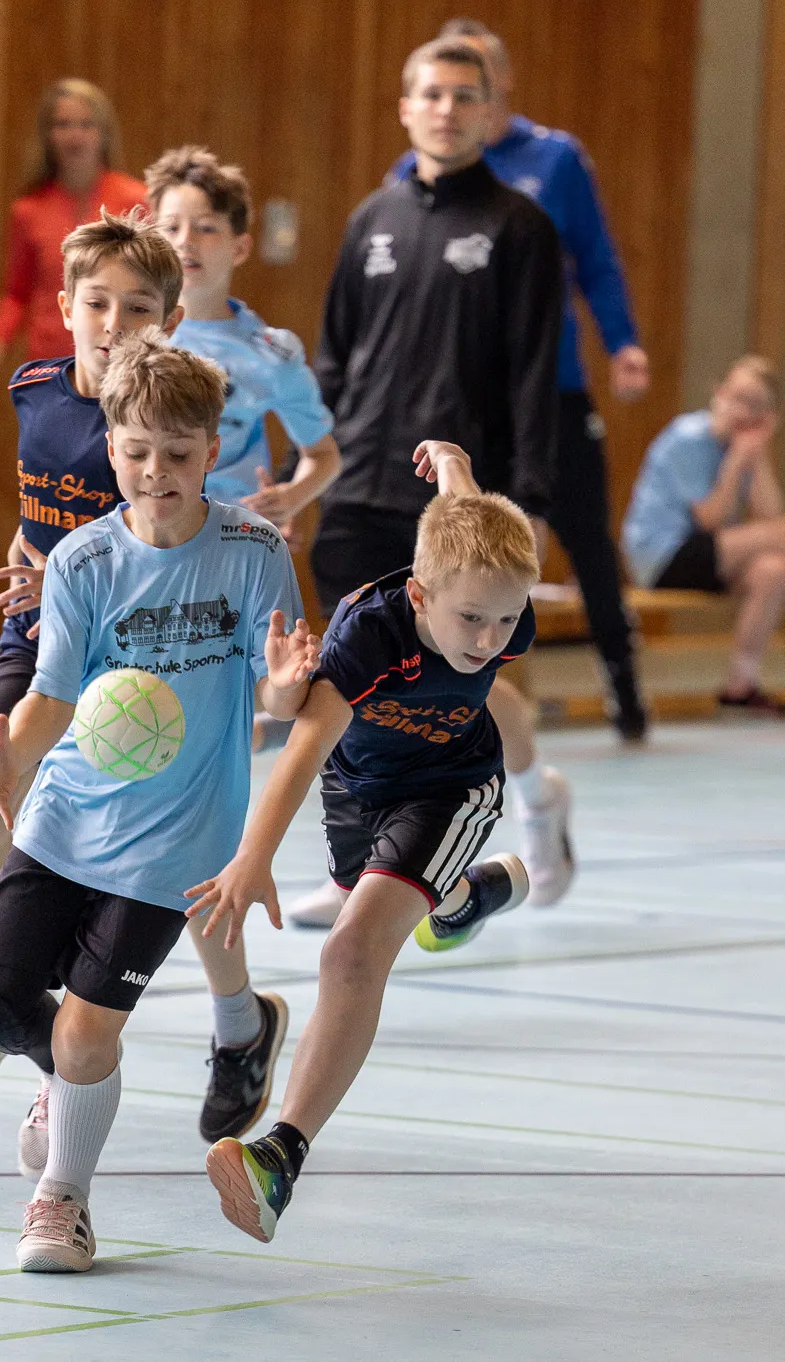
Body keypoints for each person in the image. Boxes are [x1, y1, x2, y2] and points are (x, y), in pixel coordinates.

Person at [0, 213, 290, 1165]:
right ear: (65, 310)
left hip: (161, 651)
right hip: (52, 636)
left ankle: (237, 1019)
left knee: (181, 850)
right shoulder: (37, 391)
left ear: (169, 320)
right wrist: (29, 565)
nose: (115, 322)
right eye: (97, 303)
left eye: (138, 308)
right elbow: (38, 516)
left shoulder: (163, 418)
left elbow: (180, 526)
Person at [0, 333, 315, 1272]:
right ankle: (72, 1077)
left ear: (212, 451)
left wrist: (280, 687)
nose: (156, 472)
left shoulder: (253, 551)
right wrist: (8, 760)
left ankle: (61, 1199)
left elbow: (276, 699)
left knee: (83, 1030)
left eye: (180, 454)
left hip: (175, 843)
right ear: (110, 443)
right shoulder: (81, 561)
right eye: (136, 450)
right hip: (68, 817)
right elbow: (54, 697)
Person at [190, 440, 534, 1244]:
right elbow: (300, 748)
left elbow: (466, 523)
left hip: (451, 785)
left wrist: (454, 467)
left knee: (351, 951)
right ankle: (467, 897)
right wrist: (252, 855)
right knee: (403, 906)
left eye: (507, 618)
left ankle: (281, 1152)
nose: (489, 640)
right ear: (420, 594)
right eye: (471, 619)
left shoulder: (495, 601)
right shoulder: (369, 641)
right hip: (357, 786)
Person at [293, 36, 573, 927]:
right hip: (361, 485)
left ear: (492, 112)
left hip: (457, 501)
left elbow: (537, 371)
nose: (446, 109)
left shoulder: (520, 227)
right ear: (405, 107)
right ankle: (364, 869)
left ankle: (536, 799)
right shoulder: (370, 217)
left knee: (469, 676)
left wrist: (524, 500)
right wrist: (311, 475)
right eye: (431, 94)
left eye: (465, 95)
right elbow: (334, 359)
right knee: (362, 680)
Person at [393, 16, 652, 741]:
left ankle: (624, 683)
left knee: (585, 541)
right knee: (454, 550)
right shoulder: (413, 176)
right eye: (435, 88)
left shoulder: (554, 160)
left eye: (468, 80)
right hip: (459, 404)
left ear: (496, 84)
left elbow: (596, 257)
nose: (449, 104)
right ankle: (465, 703)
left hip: (554, 390)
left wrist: (622, 341)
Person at [621, 356, 785, 715]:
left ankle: (739, 687)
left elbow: (770, 511)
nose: (741, 410)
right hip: (661, 554)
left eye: (754, 405)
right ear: (718, 391)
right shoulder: (689, 437)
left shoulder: (739, 445)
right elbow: (710, 519)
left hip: (703, 552)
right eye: (736, 397)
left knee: (773, 571)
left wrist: (757, 456)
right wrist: (737, 461)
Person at [147, 146, 340, 531]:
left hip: (231, 546)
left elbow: (323, 454)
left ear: (240, 247)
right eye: (171, 228)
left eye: (206, 227)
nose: (186, 241)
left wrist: (289, 499)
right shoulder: (133, 337)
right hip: (143, 543)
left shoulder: (269, 353)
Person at [0, 80, 147, 378]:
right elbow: (17, 292)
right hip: (51, 364)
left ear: (103, 134)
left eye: (86, 125)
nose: (74, 136)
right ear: (48, 136)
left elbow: (157, 286)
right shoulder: (30, 210)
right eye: (63, 125)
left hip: (118, 359)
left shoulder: (136, 201)